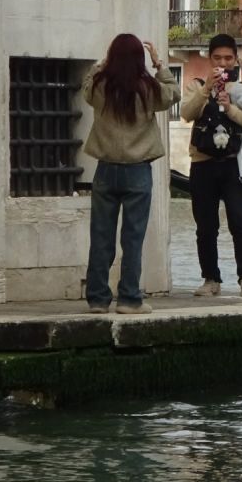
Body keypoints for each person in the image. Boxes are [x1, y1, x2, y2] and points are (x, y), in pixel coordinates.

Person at [82, 34, 179, 314]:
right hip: (137, 171)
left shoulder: (101, 87)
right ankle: (129, 299)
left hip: (105, 169)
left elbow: (85, 88)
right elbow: (172, 94)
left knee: (101, 237)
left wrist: (101, 64)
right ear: (140, 59)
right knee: (132, 238)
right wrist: (159, 63)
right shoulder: (147, 88)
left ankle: (98, 299)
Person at [181, 34, 242, 298]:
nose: (223, 63)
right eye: (218, 58)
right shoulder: (196, 85)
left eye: (228, 58)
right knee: (205, 226)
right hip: (202, 164)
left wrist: (230, 108)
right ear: (210, 59)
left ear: (236, 60)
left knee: (239, 221)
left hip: (234, 166)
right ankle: (211, 279)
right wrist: (206, 89)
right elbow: (186, 113)